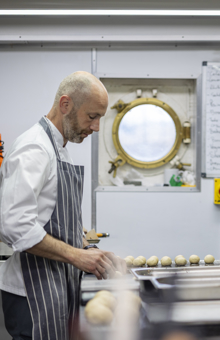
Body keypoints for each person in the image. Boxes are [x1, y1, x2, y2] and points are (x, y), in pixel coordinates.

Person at [0, 71, 127, 340]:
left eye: (100, 119)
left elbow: (53, 221)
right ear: (65, 104)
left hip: (55, 285)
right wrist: (78, 256)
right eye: (92, 116)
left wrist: (91, 252)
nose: (96, 127)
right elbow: (15, 226)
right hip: (31, 293)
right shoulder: (34, 149)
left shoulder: (58, 148)